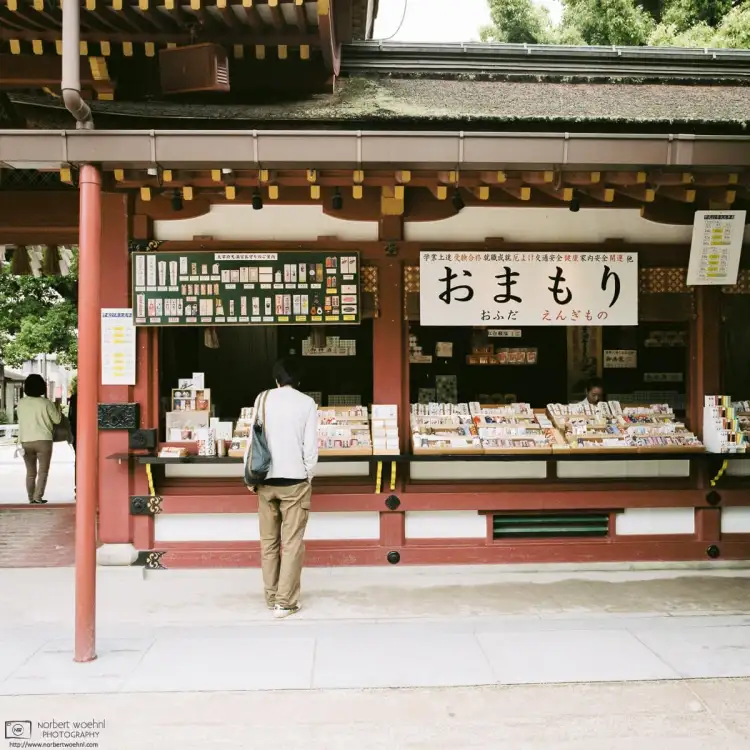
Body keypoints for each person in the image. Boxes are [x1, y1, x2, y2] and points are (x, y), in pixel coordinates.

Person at [253, 358, 318, 619]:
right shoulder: (307, 403)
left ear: (276, 378)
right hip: (295, 481)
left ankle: (271, 597)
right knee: (291, 544)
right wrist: (307, 475)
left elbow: (252, 440)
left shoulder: (263, 398)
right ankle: (285, 602)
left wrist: (250, 477)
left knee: (268, 543)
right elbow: (310, 448)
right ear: (299, 380)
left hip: (265, 480)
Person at [17, 374, 62, 505]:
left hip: (25, 440)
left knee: (30, 472)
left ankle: (31, 498)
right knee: (43, 471)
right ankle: (38, 497)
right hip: (43, 440)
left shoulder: (21, 402)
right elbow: (57, 420)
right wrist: (57, 405)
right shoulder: (45, 403)